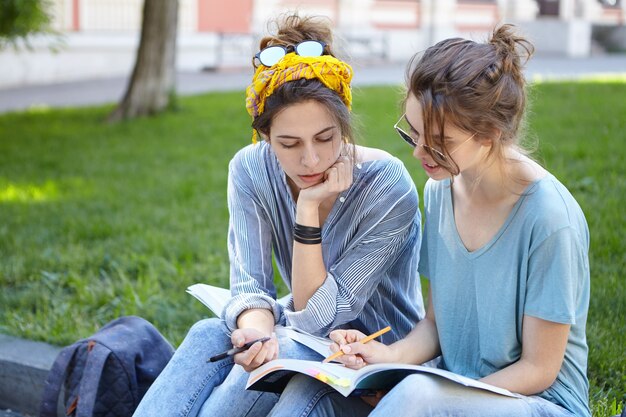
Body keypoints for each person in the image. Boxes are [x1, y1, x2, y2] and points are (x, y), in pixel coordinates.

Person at [268, 24, 590, 417]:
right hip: (452, 388)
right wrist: (385, 356)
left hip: (537, 403)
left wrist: (441, 396)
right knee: (309, 387)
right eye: (414, 132)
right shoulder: (441, 191)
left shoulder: (549, 218)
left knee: (415, 394)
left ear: (488, 134)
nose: (420, 152)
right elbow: (436, 324)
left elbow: (539, 369)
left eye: (439, 142)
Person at [132, 14, 425, 417]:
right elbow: (250, 283)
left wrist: (307, 209)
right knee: (208, 335)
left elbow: (315, 315)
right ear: (265, 137)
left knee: (280, 347)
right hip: (307, 340)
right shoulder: (250, 168)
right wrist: (255, 333)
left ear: (344, 124)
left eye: (326, 138)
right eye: (289, 144)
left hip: (377, 358)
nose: (311, 159)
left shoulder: (386, 185)